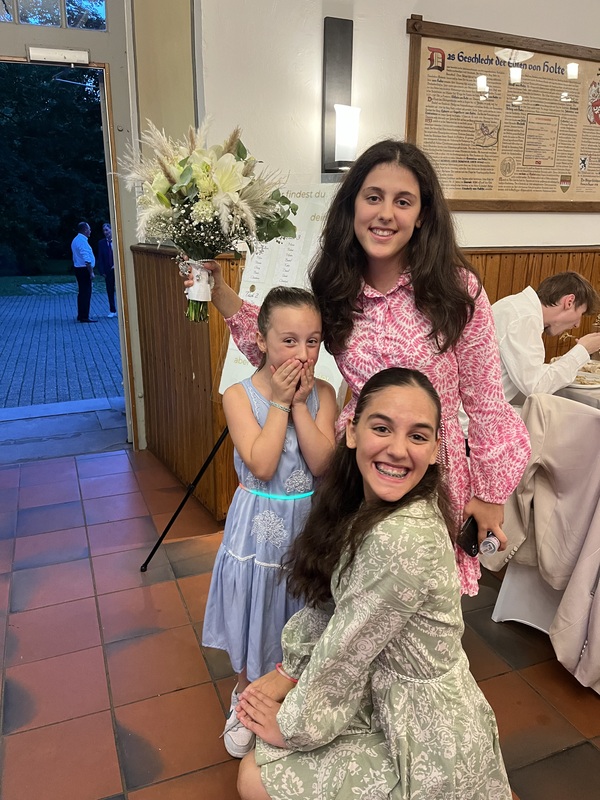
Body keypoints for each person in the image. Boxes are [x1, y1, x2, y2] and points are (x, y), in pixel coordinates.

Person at [188, 139, 530, 596]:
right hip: (357, 465)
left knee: (416, 599)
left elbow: (487, 402)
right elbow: (286, 346)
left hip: (427, 466)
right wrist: (219, 292)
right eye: (373, 197)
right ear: (353, 206)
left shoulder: (456, 290)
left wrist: (489, 494)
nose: (385, 213)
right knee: (354, 593)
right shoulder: (336, 286)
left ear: (422, 214)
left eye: (403, 201)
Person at [235, 367, 512, 800]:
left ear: (435, 450)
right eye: (382, 428)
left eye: (417, 436)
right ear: (352, 431)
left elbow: (346, 649)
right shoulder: (367, 506)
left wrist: (293, 727)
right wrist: (288, 671)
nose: (398, 450)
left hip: (425, 729)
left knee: (254, 777)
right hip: (385, 690)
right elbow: (334, 609)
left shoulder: (401, 537)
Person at [202, 286, 337, 759]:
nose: (303, 354)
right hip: (258, 524)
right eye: (289, 340)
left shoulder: (324, 393)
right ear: (261, 340)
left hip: (307, 523)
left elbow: (322, 463)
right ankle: (246, 692)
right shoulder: (238, 395)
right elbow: (261, 464)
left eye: (313, 341)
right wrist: (279, 401)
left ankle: (289, 693)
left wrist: (299, 403)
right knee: (258, 608)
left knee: (301, 611)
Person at [491, 271, 600, 405]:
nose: (577, 325)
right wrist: (582, 350)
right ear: (569, 302)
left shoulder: (517, 306)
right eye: (581, 314)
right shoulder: (524, 318)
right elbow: (537, 387)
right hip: (477, 414)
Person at [71, 221, 97, 323]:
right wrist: (91, 272)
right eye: (89, 229)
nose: (90, 231)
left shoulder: (76, 240)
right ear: (85, 230)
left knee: (82, 293)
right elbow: (87, 259)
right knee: (86, 293)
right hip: (84, 269)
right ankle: (84, 316)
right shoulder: (82, 241)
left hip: (78, 268)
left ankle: (81, 314)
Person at [96, 222, 117, 318]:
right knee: (110, 290)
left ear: (111, 230)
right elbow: (100, 258)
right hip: (108, 270)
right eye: (104, 231)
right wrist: (102, 271)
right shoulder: (101, 243)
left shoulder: (116, 241)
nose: (105, 232)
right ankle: (112, 310)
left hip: (116, 268)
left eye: (107, 230)